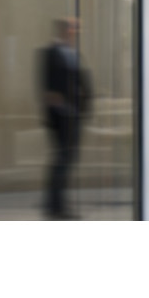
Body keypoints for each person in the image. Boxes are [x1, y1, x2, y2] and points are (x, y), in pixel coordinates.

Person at [39, 17, 91, 219]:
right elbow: (45, 86)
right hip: (60, 116)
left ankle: (58, 202)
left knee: (67, 160)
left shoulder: (73, 54)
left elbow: (83, 82)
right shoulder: (49, 54)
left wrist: (86, 105)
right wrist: (56, 106)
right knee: (62, 159)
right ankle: (56, 205)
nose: (74, 32)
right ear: (63, 31)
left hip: (74, 114)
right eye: (71, 29)